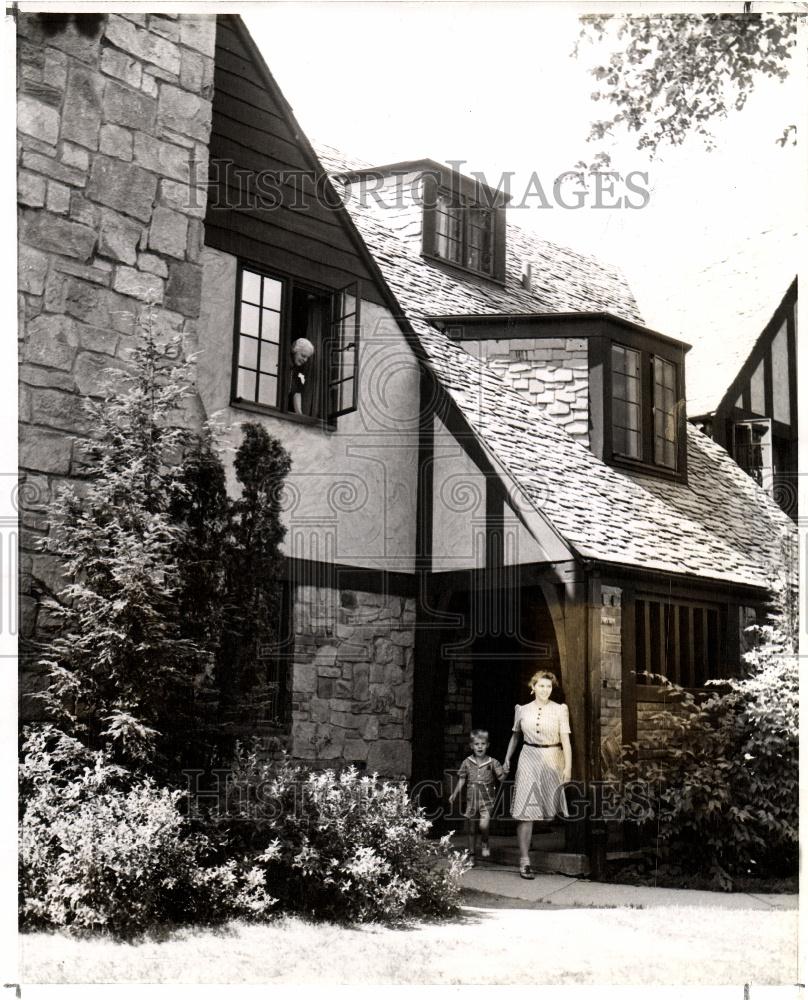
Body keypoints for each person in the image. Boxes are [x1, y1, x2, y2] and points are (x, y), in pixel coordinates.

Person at [502, 670, 572, 880]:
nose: (545, 690)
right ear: (533, 688)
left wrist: (568, 767)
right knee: (526, 806)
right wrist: (507, 758)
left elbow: (566, 740)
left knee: (550, 809)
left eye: (548, 686)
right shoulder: (522, 710)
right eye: (541, 686)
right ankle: (524, 861)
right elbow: (515, 736)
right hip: (528, 756)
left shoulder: (560, 710)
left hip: (552, 756)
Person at [448, 729, 505, 865]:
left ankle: (485, 841)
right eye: (477, 744)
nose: (480, 747)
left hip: (487, 800)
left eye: (483, 744)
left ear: (488, 745)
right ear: (471, 746)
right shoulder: (467, 762)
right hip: (471, 801)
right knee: (472, 829)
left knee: (484, 824)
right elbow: (462, 779)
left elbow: (502, 778)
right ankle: (472, 855)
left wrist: (505, 771)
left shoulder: (493, 762)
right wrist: (455, 793)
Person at [288, 337, 315, 415]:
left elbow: (297, 392)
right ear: (295, 351)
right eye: (303, 356)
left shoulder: (299, 371)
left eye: (307, 357)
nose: (305, 360)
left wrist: (299, 414)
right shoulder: (286, 363)